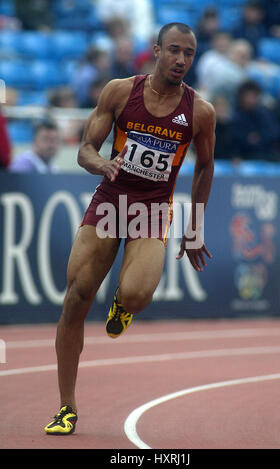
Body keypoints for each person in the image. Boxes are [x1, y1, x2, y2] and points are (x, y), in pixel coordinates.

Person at [44, 22, 216, 435]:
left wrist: (196, 226)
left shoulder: (200, 112)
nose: (180, 60)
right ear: (156, 51)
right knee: (76, 298)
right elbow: (86, 149)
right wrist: (103, 164)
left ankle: (122, 305)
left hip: (153, 211)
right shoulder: (120, 91)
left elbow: (206, 166)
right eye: (173, 50)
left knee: (137, 295)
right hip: (110, 203)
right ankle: (67, 407)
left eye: (189, 54)